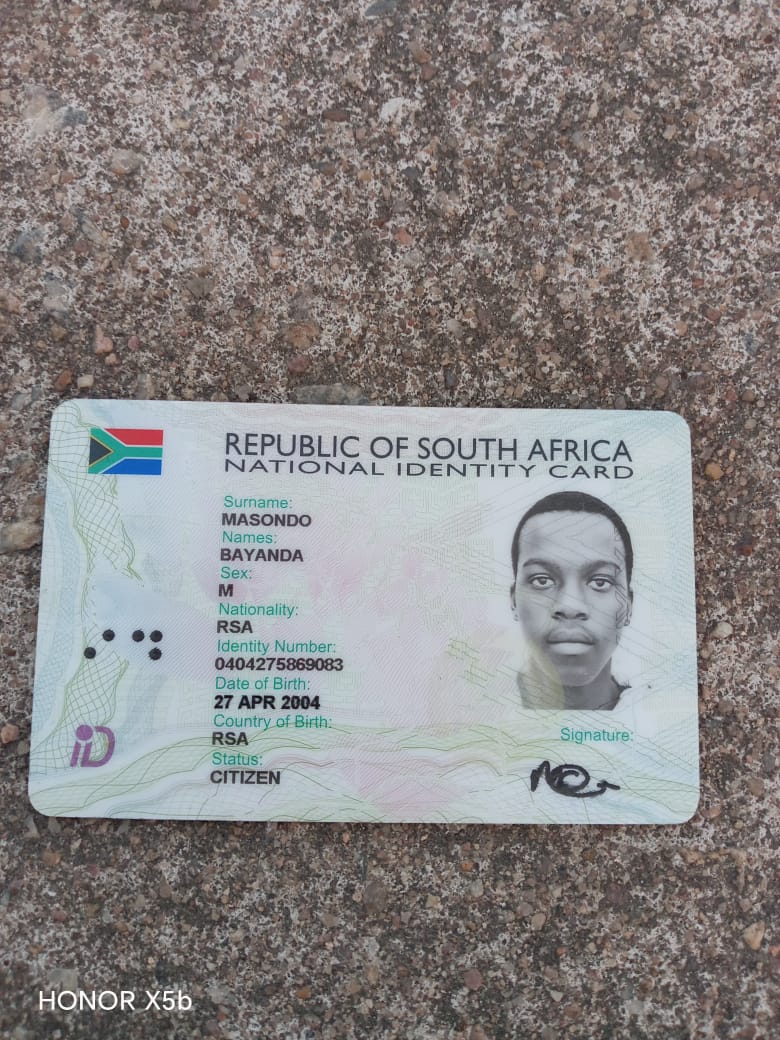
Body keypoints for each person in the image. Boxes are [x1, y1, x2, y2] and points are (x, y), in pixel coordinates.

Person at [510, 491, 634, 710]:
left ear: (628, 606)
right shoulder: (466, 711)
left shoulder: (658, 715)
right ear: (513, 601)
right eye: (542, 580)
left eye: (600, 582)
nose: (570, 606)